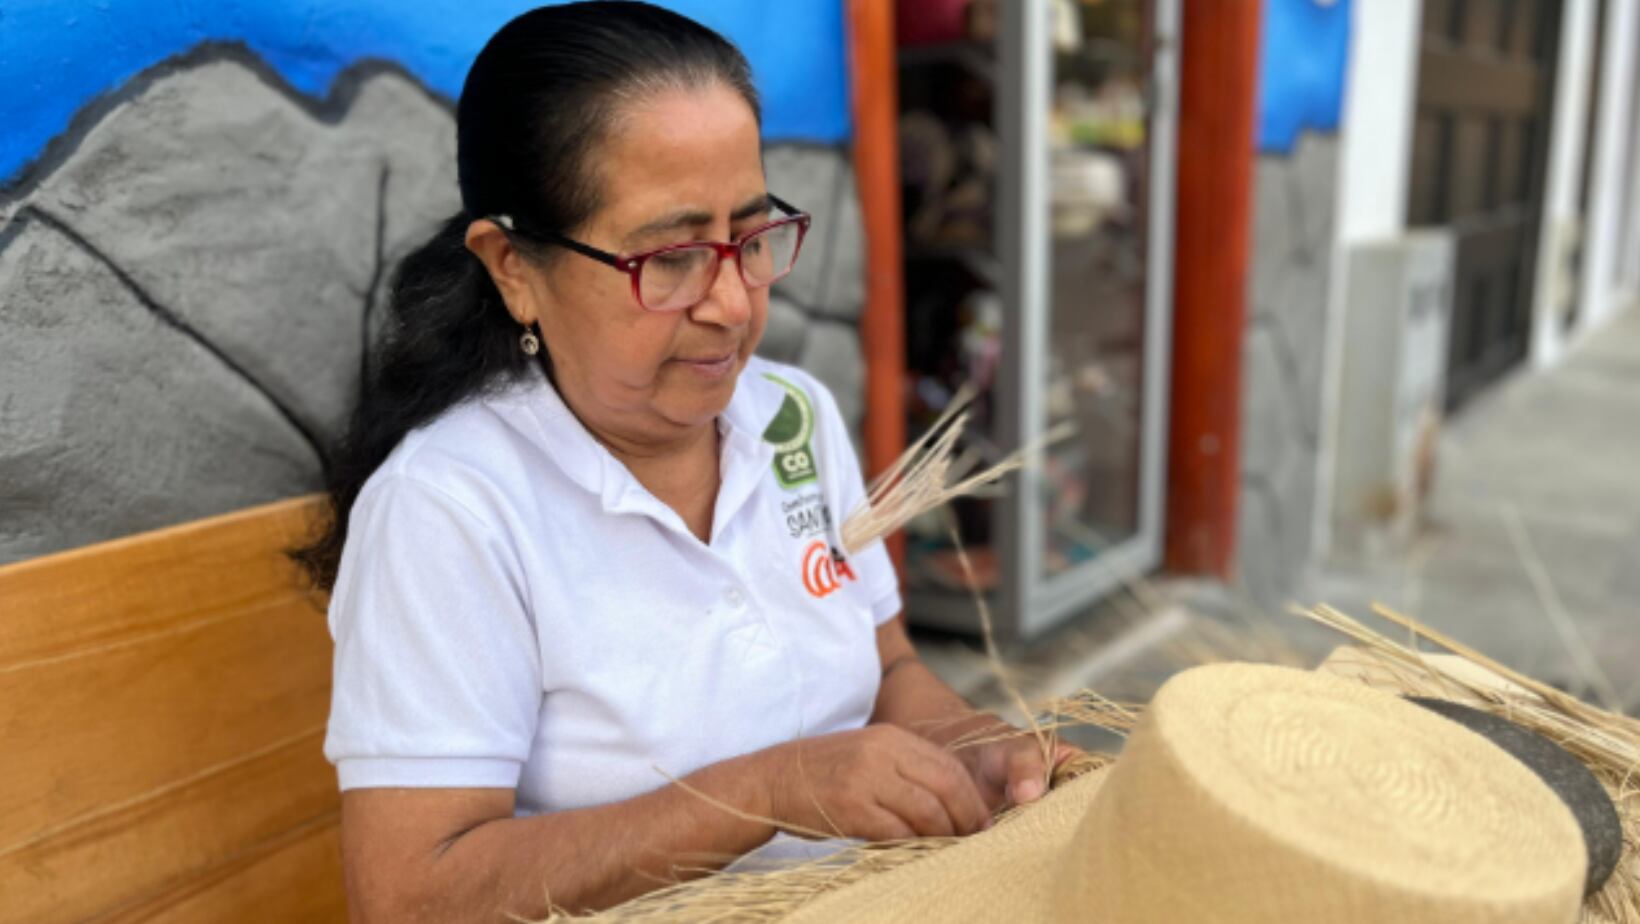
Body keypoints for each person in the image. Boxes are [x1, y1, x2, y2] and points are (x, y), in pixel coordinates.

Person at [296, 4, 1072, 921]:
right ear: (512, 267)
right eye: (669, 259)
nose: (733, 304)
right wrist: (767, 792)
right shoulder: (450, 508)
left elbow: (888, 667)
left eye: (750, 237)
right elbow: (412, 896)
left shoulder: (790, 414)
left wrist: (975, 752)